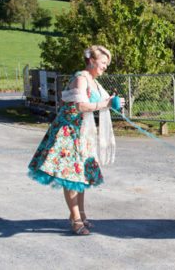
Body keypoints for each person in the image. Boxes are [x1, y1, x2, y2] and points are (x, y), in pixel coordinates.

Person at [28, 45, 117, 235]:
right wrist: (105, 104)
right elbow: (81, 106)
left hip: (82, 132)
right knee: (71, 176)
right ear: (92, 61)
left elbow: (100, 102)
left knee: (81, 176)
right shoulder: (80, 78)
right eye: (103, 63)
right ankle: (76, 220)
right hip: (68, 132)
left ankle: (80, 215)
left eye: (106, 64)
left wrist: (113, 102)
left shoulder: (93, 80)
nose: (105, 67)